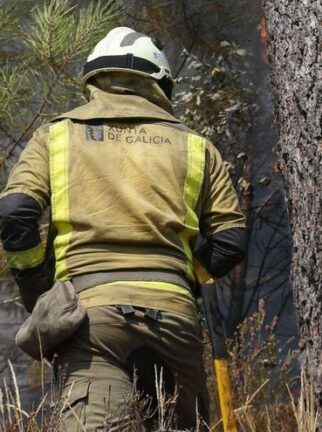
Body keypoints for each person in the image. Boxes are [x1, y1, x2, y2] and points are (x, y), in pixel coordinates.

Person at [0, 27, 246, 430]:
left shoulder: (55, 136)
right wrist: (188, 280)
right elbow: (230, 239)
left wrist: (40, 293)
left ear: (94, 80)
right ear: (161, 83)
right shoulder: (197, 146)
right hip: (175, 315)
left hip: (90, 315)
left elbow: (14, 212)